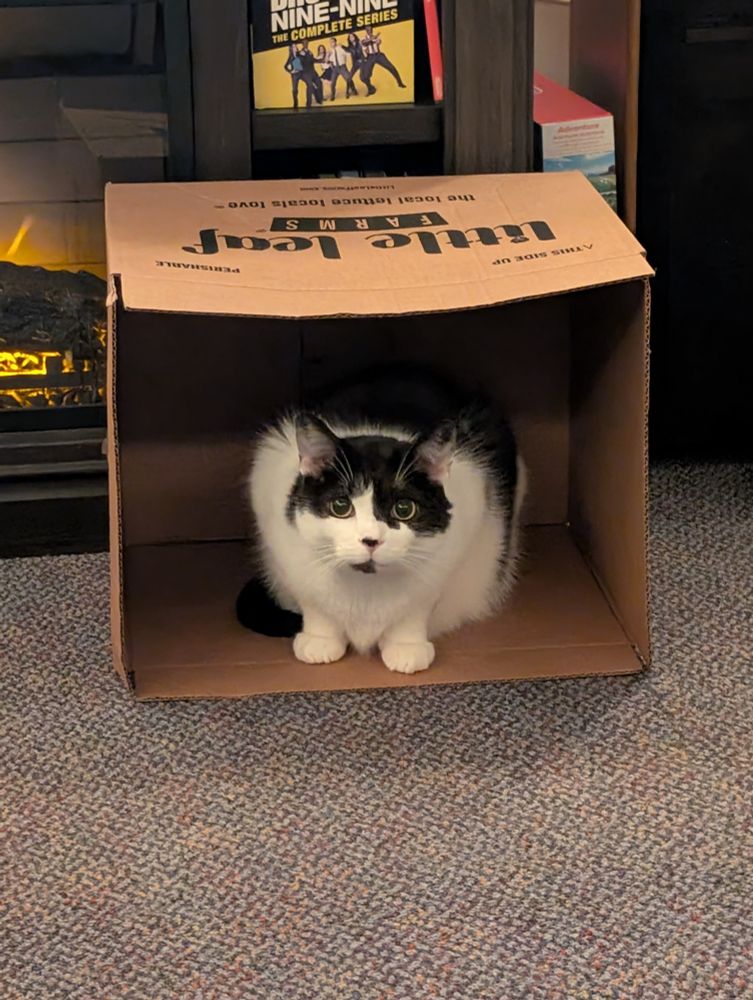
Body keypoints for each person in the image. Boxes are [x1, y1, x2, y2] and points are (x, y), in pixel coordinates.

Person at [360, 24, 406, 94]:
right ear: (365, 30)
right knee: (365, 76)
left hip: (379, 55)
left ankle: (400, 83)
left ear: (371, 29)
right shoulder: (363, 39)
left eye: (370, 28)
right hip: (370, 57)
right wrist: (372, 39)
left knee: (391, 67)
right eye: (367, 29)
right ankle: (371, 89)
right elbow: (364, 43)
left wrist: (375, 39)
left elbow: (379, 42)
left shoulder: (376, 37)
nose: (369, 30)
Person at [325, 36, 353, 101]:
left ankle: (349, 91)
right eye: (330, 42)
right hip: (335, 68)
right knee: (333, 83)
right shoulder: (330, 51)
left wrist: (346, 61)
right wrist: (327, 55)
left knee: (348, 78)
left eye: (332, 42)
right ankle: (333, 95)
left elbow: (348, 54)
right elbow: (327, 61)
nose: (331, 43)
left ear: (335, 42)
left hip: (342, 67)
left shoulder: (340, 48)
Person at [297, 41, 323, 107]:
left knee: (319, 82)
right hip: (305, 73)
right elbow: (298, 61)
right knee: (310, 85)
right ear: (302, 44)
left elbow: (313, 60)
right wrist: (301, 55)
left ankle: (319, 99)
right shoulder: (300, 53)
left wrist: (321, 60)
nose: (306, 44)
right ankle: (308, 103)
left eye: (307, 43)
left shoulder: (310, 52)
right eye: (304, 43)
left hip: (313, 72)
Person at [283, 43, 304, 109]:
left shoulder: (299, 54)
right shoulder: (290, 57)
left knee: (310, 83)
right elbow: (285, 66)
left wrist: (303, 54)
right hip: (295, 74)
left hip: (302, 72)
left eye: (296, 46)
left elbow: (304, 59)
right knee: (294, 89)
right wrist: (291, 71)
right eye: (294, 47)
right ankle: (295, 103)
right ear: (291, 49)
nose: (295, 47)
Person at [344, 32, 364, 97]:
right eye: (350, 37)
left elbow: (364, 51)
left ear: (355, 37)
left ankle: (370, 88)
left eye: (352, 36)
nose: (351, 38)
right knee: (349, 77)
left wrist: (363, 59)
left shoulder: (360, 43)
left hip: (362, 63)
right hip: (355, 64)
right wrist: (341, 46)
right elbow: (347, 49)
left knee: (363, 76)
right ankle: (347, 91)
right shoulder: (350, 47)